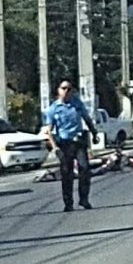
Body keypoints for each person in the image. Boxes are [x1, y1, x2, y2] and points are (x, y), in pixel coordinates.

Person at [43, 79, 99, 212]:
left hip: (78, 141)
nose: (66, 91)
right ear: (58, 90)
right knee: (66, 173)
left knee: (84, 168)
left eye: (69, 89)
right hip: (64, 144)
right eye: (63, 88)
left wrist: (94, 133)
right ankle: (68, 202)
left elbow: (86, 118)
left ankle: (84, 199)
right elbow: (49, 131)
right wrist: (55, 147)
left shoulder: (77, 103)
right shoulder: (53, 109)